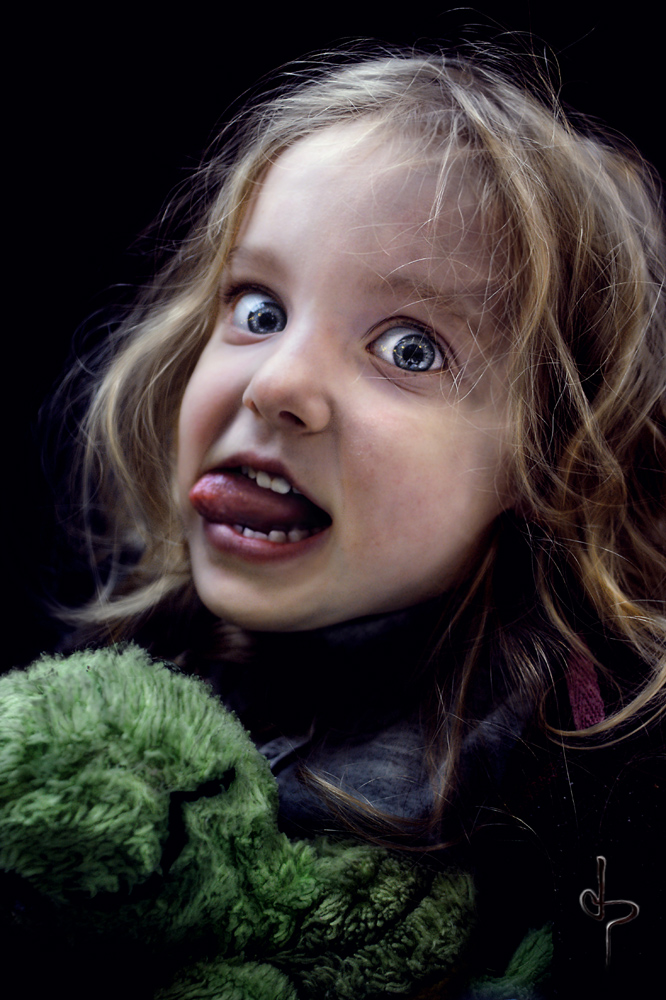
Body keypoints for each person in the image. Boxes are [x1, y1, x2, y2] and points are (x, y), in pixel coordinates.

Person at [48, 44, 666, 997]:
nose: (278, 381)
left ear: (552, 461)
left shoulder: (597, 802)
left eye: (410, 348)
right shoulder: (139, 689)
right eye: (256, 308)